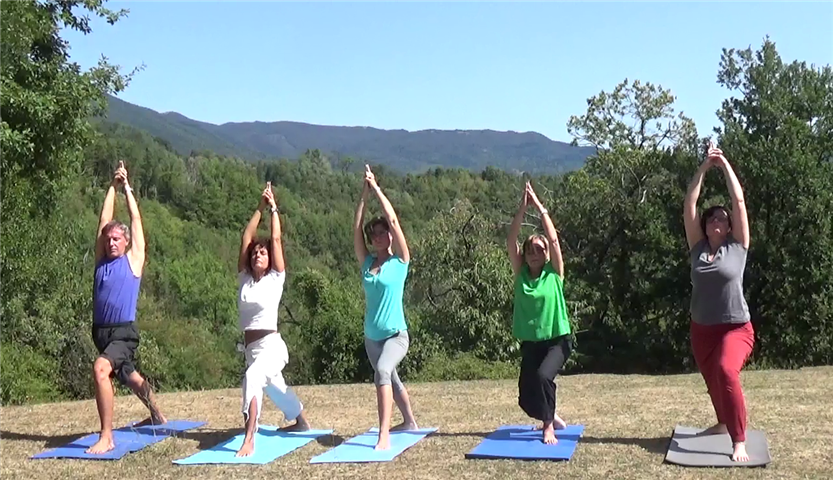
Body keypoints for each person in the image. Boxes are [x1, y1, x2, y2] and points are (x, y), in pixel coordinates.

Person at [87, 161, 167, 455]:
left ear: (127, 242)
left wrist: (128, 188)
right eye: (108, 239)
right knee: (131, 377)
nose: (110, 242)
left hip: (123, 334)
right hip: (102, 334)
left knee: (100, 370)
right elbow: (103, 220)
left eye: (116, 239)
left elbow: (135, 221)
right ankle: (157, 414)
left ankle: (106, 435)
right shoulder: (101, 263)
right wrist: (112, 186)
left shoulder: (133, 260)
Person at [683, 142, 754, 463]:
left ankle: (738, 440)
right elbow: (690, 204)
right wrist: (703, 167)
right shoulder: (697, 247)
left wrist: (722, 164)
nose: (716, 221)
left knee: (726, 371)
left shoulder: (738, 246)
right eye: (711, 217)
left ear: (728, 227)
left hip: (736, 327)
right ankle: (723, 423)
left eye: (722, 219)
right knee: (713, 381)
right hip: (702, 328)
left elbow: (738, 201)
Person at [235, 182, 311, 457]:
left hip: (272, 346)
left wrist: (273, 208)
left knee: (253, 377)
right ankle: (301, 422)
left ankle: (249, 438)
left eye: (262, 252)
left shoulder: (276, 279)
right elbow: (247, 236)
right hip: (251, 349)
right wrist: (259, 206)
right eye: (255, 252)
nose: (258, 253)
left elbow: (276, 240)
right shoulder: (244, 279)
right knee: (275, 387)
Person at [352, 164, 419, 450]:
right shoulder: (367, 264)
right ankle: (409, 421)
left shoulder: (400, 261)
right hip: (371, 337)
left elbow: (393, 219)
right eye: (374, 234)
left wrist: (376, 188)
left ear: (390, 236)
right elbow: (356, 227)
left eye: (383, 232)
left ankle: (384, 434)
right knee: (389, 376)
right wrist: (363, 196)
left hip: (396, 336)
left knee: (382, 372)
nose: (380, 236)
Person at [506, 181, 572, 445]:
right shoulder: (521, 274)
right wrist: (522, 209)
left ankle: (548, 426)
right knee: (525, 397)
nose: (534, 253)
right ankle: (550, 413)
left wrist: (540, 208)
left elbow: (553, 239)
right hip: (532, 342)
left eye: (539, 250)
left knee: (544, 377)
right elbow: (511, 240)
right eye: (530, 250)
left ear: (546, 254)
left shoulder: (554, 273)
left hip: (557, 340)